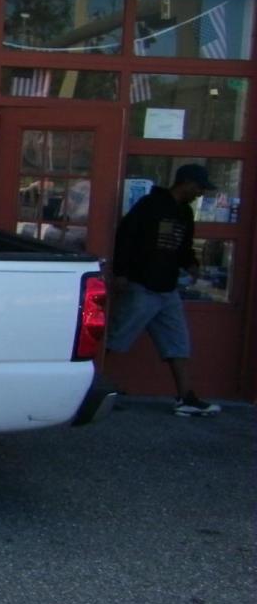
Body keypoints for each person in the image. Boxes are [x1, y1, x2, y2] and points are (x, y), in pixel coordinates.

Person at [106, 163, 221, 416]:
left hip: (168, 290)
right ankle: (93, 390)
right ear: (186, 182)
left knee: (177, 344)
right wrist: (121, 274)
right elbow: (126, 237)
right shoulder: (149, 206)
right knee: (114, 340)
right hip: (141, 286)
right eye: (199, 187)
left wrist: (191, 263)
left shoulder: (185, 213)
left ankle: (186, 397)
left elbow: (184, 247)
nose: (200, 193)